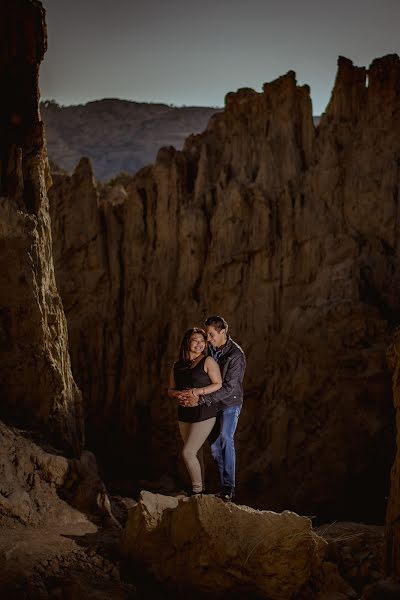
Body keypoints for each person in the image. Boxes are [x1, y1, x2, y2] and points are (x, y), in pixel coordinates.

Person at [179, 316, 246, 501]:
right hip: (212, 403)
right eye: (206, 334)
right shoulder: (210, 349)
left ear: (222, 332)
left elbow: (229, 388)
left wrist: (199, 398)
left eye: (211, 334)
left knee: (226, 438)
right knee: (215, 448)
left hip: (229, 403)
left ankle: (228, 488)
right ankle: (219, 486)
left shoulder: (236, 355)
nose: (207, 339)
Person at [168, 327, 222, 495]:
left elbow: (218, 383)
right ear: (187, 342)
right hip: (184, 413)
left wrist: (197, 392)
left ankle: (197, 492)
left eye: (202, 341)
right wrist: (178, 394)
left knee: (188, 452)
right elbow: (170, 389)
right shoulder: (177, 365)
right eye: (195, 340)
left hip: (204, 413)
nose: (199, 344)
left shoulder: (208, 361)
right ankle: (201, 488)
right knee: (195, 452)